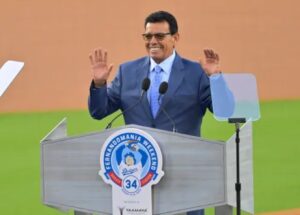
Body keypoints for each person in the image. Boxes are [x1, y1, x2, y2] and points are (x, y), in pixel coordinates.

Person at [88, 10, 227, 215]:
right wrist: (99, 84)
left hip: (184, 177)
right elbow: (99, 111)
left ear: (175, 38)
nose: (153, 41)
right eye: (148, 36)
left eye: (160, 36)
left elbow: (223, 111)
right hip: (138, 177)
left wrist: (215, 79)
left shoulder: (196, 72)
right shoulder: (127, 72)